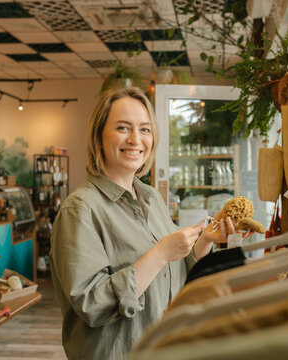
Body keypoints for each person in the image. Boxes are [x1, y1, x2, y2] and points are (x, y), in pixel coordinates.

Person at [50, 87, 244, 360]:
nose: (135, 139)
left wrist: (204, 242)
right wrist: (161, 252)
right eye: (122, 128)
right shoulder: (80, 209)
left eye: (145, 129)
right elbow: (91, 303)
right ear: (99, 136)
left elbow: (171, 274)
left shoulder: (151, 197)